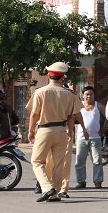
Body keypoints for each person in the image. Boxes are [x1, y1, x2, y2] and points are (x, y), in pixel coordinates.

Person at [27, 62, 82, 202]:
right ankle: (54, 193)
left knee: (37, 161)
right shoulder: (70, 94)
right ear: (63, 78)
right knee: (59, 163)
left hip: (45, 129)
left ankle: (46, 187)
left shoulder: (40, 92)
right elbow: (72, 116)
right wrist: (70, 131)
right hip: (62, 130)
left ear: (48, 76)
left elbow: (34, 114)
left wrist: (31, 130)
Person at [72, 86, 107, 189]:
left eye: (91, 94)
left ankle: (98, 181)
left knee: (97, 160)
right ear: (83, 95)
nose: (89, 96)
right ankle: (81, 181)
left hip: (95, 137)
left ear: (94, 95)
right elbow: (72, 118)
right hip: (81, 138)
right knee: (79, 161)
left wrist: (103, 130)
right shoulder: (79, 106)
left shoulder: (98, 106)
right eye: (87, 94)